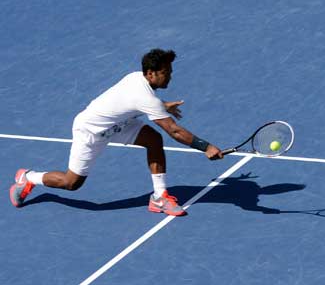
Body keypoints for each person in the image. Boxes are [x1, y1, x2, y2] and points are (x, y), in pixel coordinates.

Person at [9, 48, 223, 216]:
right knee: (71, 183)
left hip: (119, 125)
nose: (169, 77)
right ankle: (29, 177)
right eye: (165, 73)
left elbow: (138, 103)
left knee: (153, 140)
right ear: (150, 73)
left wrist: (162, 106)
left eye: (170, 72)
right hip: (91, 132)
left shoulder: (137, 80)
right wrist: (206, 146)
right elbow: (174, 130)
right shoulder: (144, 95)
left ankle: (159, 197)